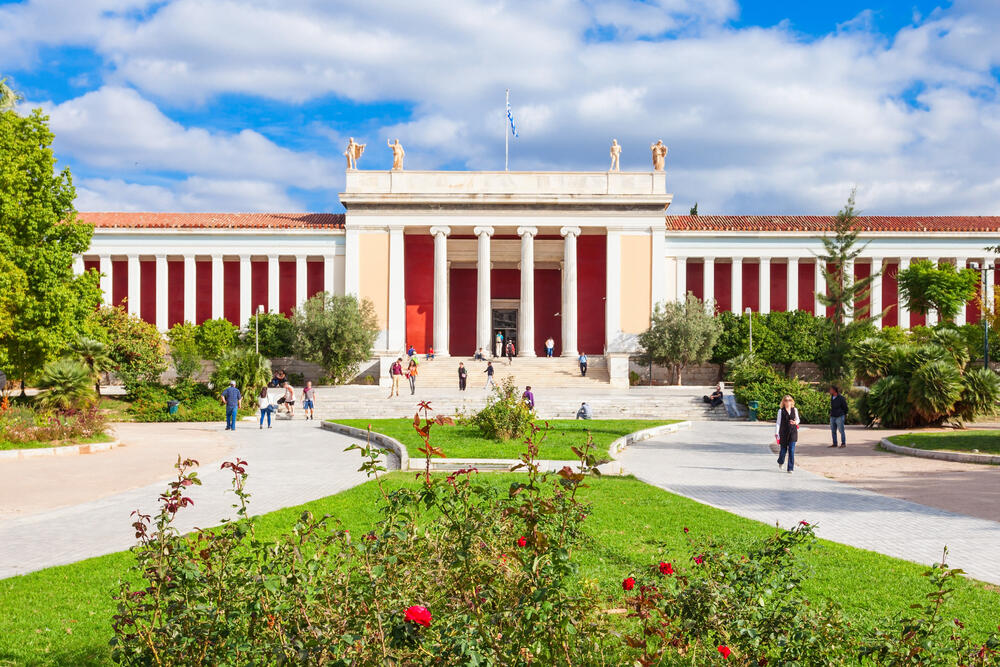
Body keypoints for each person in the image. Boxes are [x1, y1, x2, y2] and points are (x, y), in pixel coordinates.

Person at [775, 394, 800, 473]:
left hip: (793, 432)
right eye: (786, 400)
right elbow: (778, 423)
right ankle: (780, 461)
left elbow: (798, 419)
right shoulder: (780, 411)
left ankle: (790, 468)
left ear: (791, 401)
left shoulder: (794, 409)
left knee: (791, 450)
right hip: (783, 432)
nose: (788, 402)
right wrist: (776, 433)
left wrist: (795, 422)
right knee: (783, 450)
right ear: (783, 402)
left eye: (789, 400)